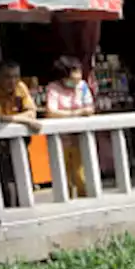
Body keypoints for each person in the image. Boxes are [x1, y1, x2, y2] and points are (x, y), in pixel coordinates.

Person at [0, 61, 41, 208]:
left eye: (16, 76)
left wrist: (24, 119)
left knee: (24, 175)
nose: (13, 81)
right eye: (8, 77)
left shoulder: (21, 87)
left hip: (20, 140)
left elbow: (32, 111)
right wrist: (25, 121)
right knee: (6, 178)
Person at [44, 55, 96, 199]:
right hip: (61, 139)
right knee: (63, 173)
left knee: (82, 174)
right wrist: (76, 113)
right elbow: (51, 111)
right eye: (73, 78)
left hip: (80, 137)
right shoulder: (53, 89)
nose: (76, 81)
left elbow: (89, 107)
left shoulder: (83, 86)